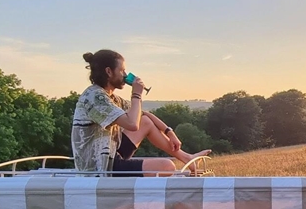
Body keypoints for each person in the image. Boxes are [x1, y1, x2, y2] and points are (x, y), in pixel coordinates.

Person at [71, 49, 210, 175]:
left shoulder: (110, 97)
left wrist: (169, 132)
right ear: (109, 72)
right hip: (100, 167)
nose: (125, 75)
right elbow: (132, 124)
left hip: (111, 154)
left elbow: (143, 115)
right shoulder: (95, 97)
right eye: (122, 71)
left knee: (145, 121)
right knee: (167, 166)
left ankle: (187, 157)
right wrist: (136, 95)